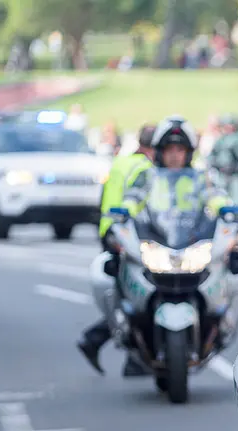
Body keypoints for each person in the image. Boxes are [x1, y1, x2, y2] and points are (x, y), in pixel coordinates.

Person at [77, 116, 238, 376]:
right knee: (119, 273)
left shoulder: (200, 177)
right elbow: (134, 197)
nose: (175, 156)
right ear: (160, 152)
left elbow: (215, 195)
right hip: (158, 240)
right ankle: (128, 334)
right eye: (169, 150)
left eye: (180, 150)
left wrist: (229, 211)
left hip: (190, 242)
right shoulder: (147, 176)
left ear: (188, 153)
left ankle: (219, 320)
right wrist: (122, 214)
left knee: (235, 258)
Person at [78, 123, 156, 377]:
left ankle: (132, 358)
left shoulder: (122, 161)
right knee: (140, 297)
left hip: (110, 232)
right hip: (128, 237)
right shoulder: (144, 169)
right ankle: (99, 340)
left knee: (131, 296)